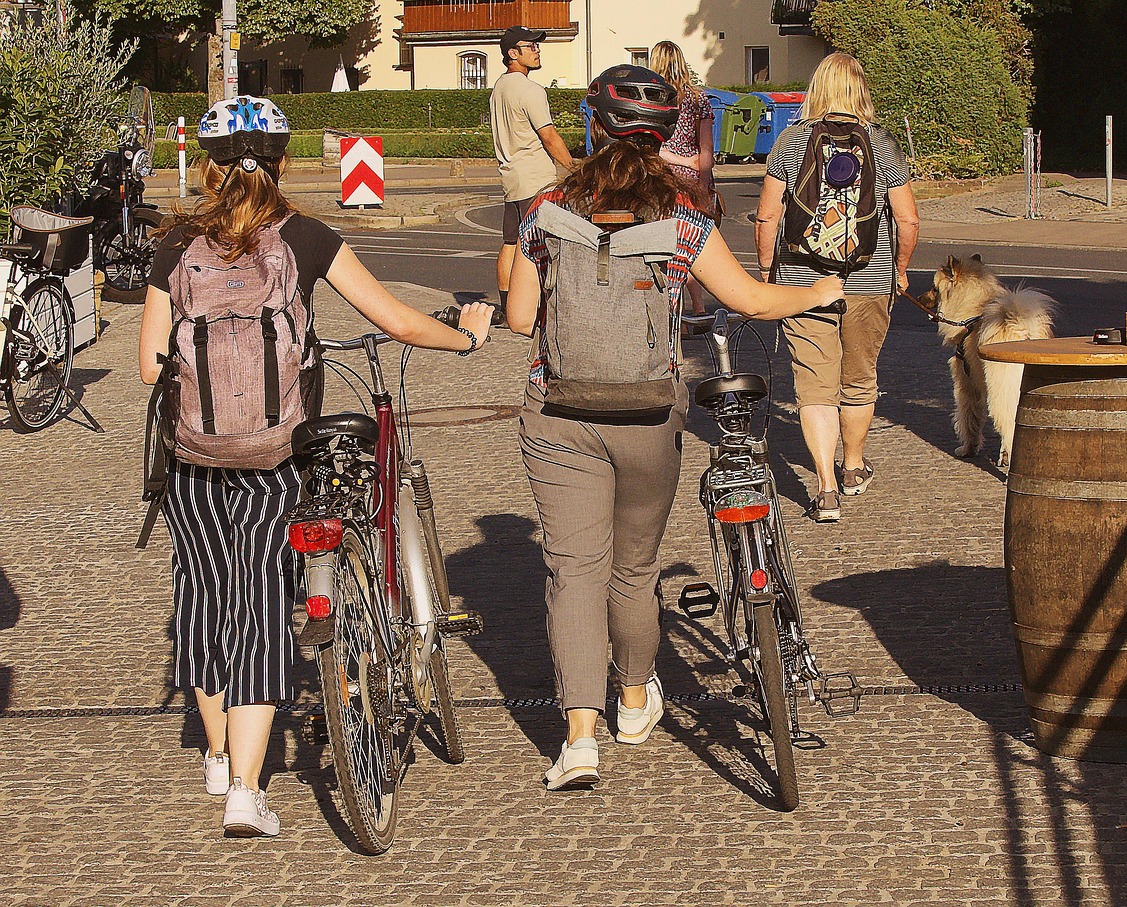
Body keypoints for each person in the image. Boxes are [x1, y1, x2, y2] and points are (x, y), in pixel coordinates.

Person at [138, 96, 493, 838]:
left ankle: (216, 755)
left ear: (206, 169)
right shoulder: (304, 237)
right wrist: (464, 339)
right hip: (277, 454)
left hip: (194, 459)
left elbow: (148, 365)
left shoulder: (174, 245)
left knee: (204, 595)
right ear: (280, 163)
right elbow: (394, 319)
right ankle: (246, 792)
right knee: (263, 602)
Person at [506, 65, 845, 790]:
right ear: (663, 138)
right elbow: (752, 301)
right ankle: (633, 703)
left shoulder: (544, 211)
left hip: (558, 413)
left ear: (594, 126)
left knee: (574, 570)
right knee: (633, 567)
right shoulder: (683, 219)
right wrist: (820, 288)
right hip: (648, 414)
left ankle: (579, 739)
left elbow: (517, 317)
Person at [754, 53, 920, 523]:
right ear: (860, 90)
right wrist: (900, 269)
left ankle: (826, 489)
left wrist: (767, 271)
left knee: (814, 387)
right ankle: (853, 467)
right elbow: (907, 219)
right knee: (859, 378)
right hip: (869, 280)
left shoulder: (792, 140)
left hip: (802, 282)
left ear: (817, 88)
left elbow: (767, 216)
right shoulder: (881, 144)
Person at [490, 25, 576, 320]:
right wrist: (573, 168)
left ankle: (506, 306)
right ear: (513, 53)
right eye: (531, 47)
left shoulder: (499, 88)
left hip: (511, 178)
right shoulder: (531, 90)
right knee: (542, 243)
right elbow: (549, 135)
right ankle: (539, 306)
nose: (537, 51)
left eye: (537, 46)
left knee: (511, 242)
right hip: (537, 180)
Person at [651, 40, 715, 315]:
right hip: (691, 180)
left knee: (665, 251)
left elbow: (652, 149)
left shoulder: (652, 98)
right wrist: (703, 185)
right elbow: (706, 150)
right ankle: (698, 308)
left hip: (659, 179)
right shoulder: (698, 99)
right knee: (692, 245)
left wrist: (676, 160)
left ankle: (673, 312)